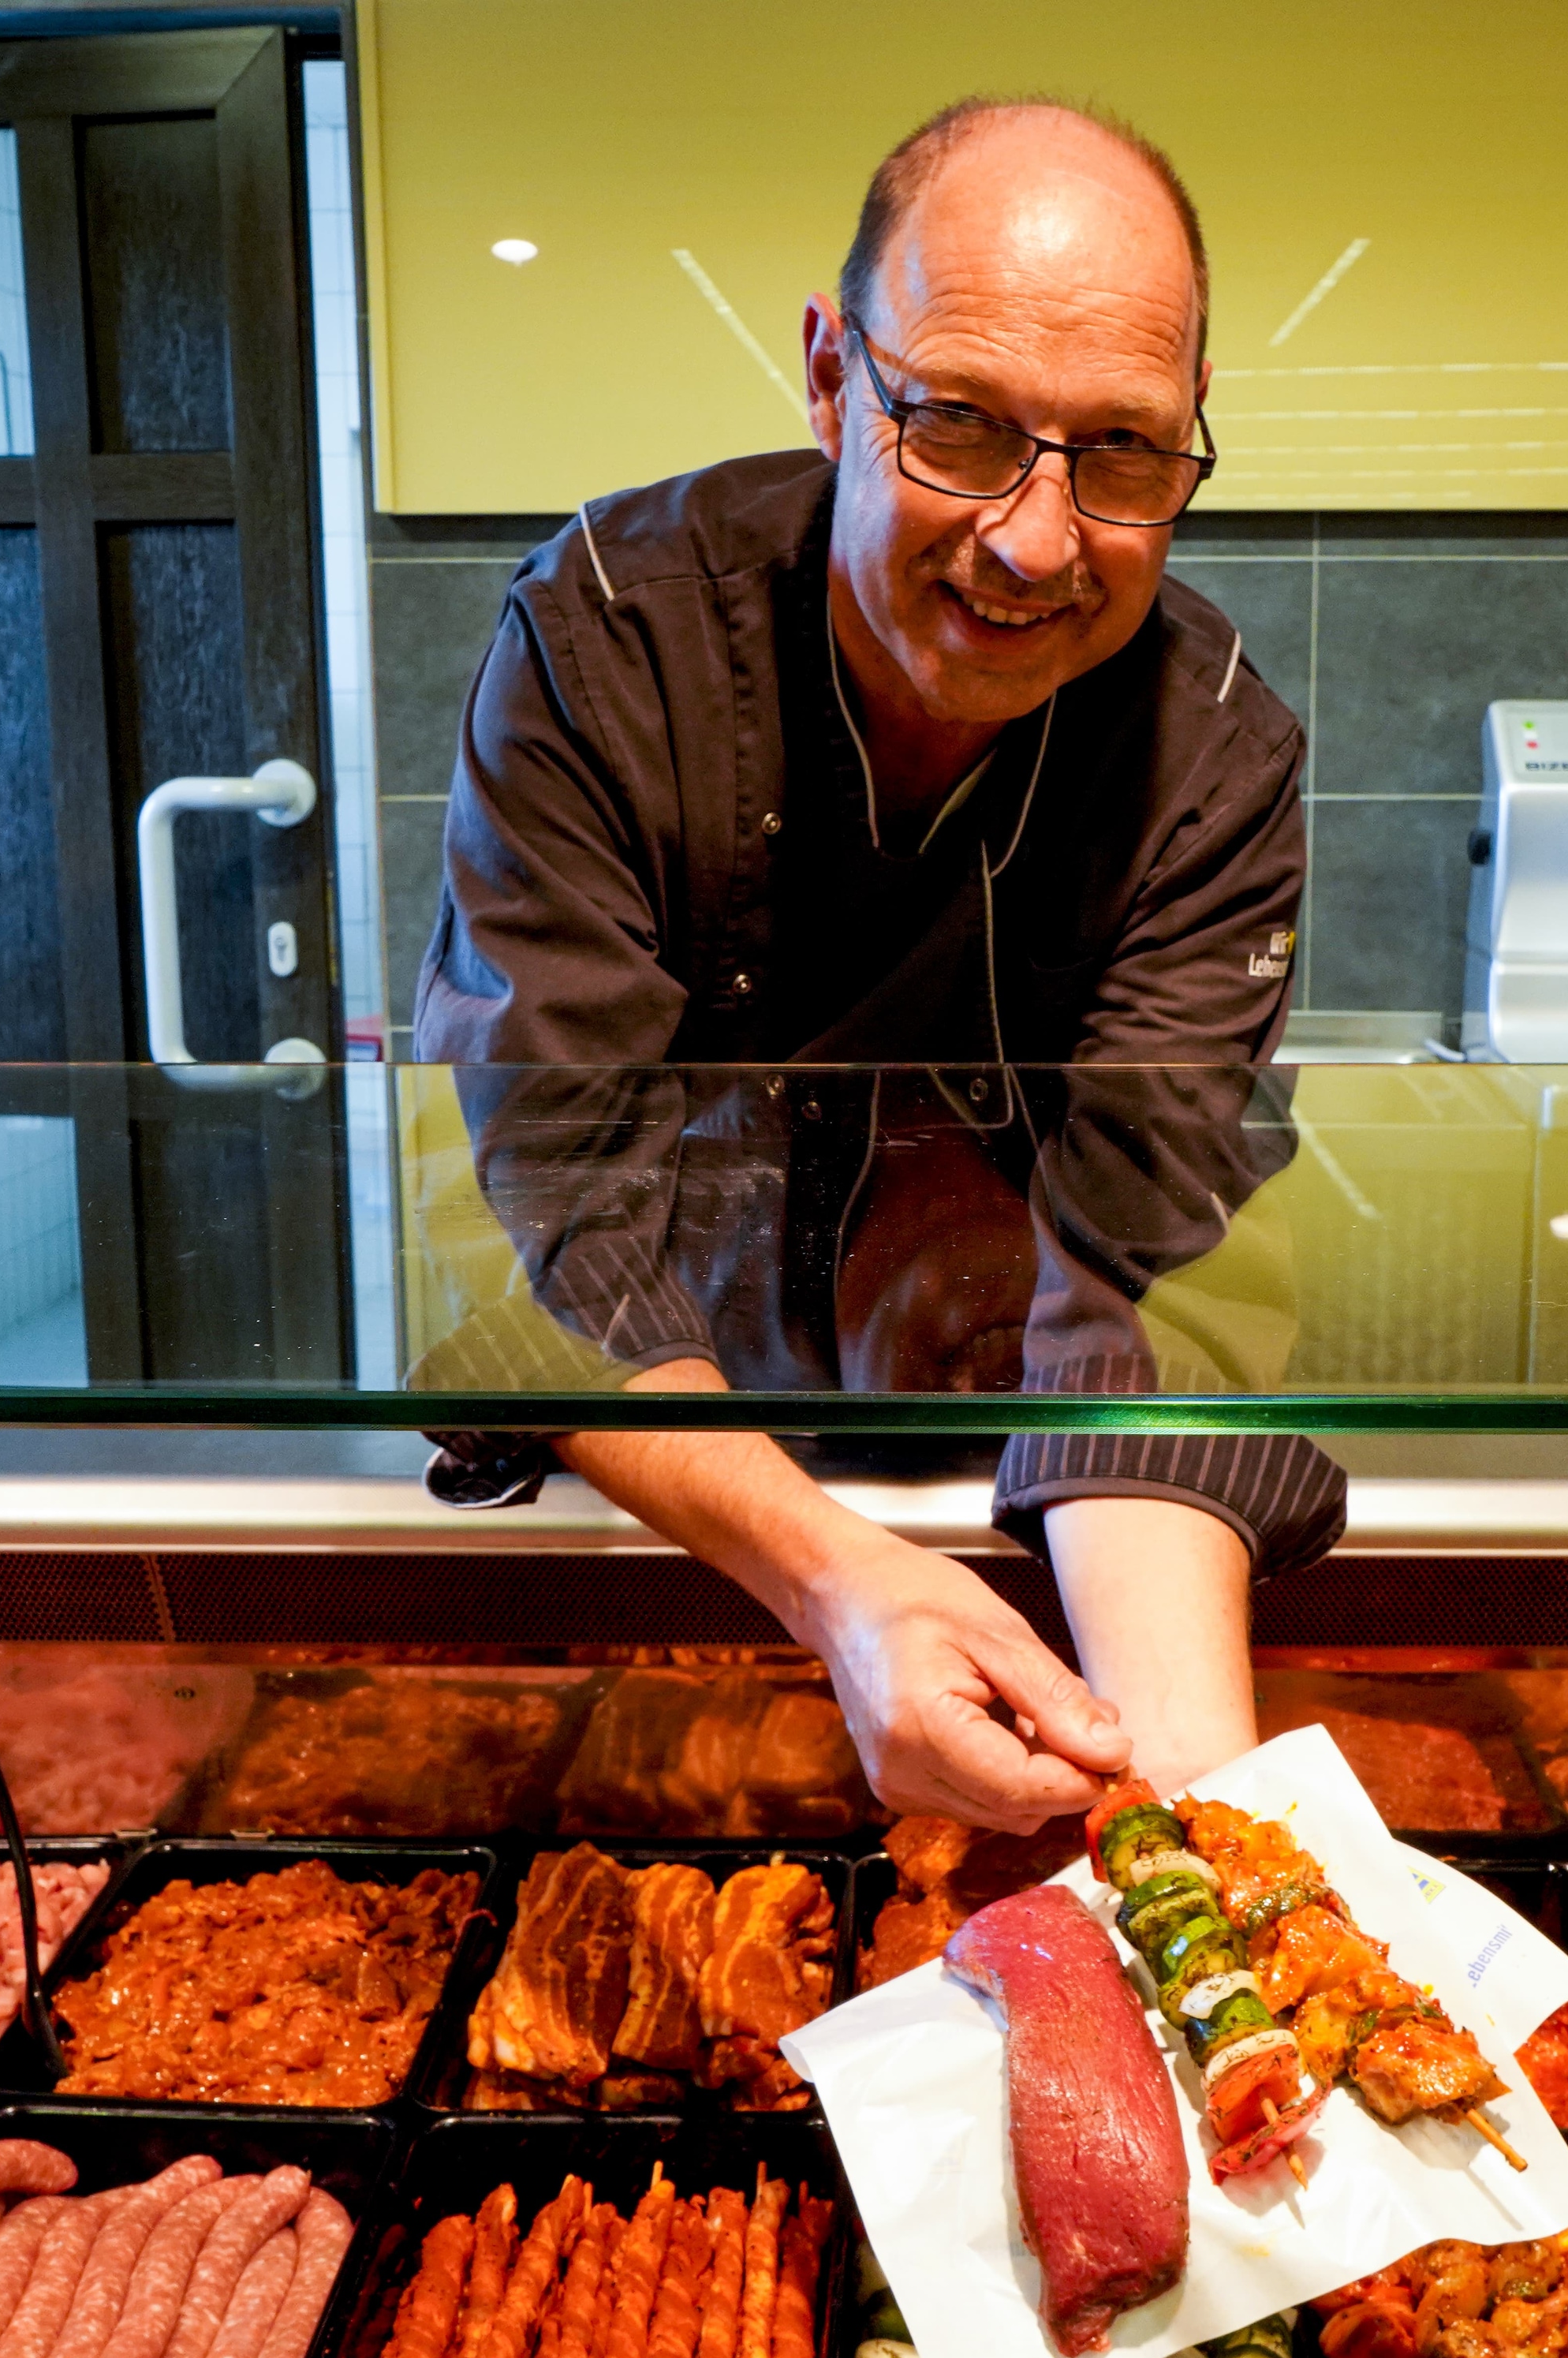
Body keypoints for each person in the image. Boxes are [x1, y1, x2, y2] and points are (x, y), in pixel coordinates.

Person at [410, 96, 1339, 1832]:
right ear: (835, 380)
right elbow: (546, 1203)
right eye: (962, 427)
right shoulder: (609, 639)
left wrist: (1198, 1823)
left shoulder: (1215, 751)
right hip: (674, 1485)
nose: (1038, 540)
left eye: (1123, 452)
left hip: (1039, 1506)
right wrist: (835, 1579)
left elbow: (1145, 1274)